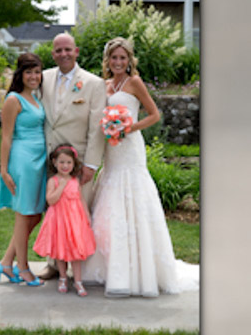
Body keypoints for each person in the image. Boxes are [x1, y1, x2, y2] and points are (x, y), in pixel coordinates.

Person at [80, 37, 198, 297]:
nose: (119, 62)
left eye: (123, 58)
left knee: (132, 195)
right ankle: (108, 266)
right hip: (111, 150)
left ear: (130, 60)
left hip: (130, 148)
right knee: (109, 199)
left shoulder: (135, 82)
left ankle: (137, 271)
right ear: (108, 60)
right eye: (114, 58)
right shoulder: (105, 85)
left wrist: (130, 126)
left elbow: (154, 114)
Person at [37, 32, 107, 281]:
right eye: (58, 50)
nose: (63, 54)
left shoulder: (93, 83)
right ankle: (55, 266)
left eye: (68, 49)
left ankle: (80, 266)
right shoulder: (42, 78)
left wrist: (90, 163)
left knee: (78, 214)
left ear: (76, 51)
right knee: (53, 214)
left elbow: (97, 127)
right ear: (53, 54)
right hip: (48, 160)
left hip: (77, 163)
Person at [0, 52, 49, 286]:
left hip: (39, 159)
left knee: (35, 214)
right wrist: (4, 170)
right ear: (21, 74)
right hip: (23, 160)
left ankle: (6, 262)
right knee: (24, 213)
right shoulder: (13, 100)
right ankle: (23, 267)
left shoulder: (36, 98)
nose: (34, 76)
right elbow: (6, 138)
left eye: (37, 72)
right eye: (29, 72)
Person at [31, 145, 96, 295]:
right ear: (54, 162)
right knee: (60, 251)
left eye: (68, 162)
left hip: (74, 221)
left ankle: (78, 281)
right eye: (61, 162)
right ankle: (62, 277)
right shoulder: (53, 181)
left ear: (73, 164)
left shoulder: (75, 181)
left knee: (75, 251)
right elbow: (51, 200)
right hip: (59, 221)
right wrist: (60, 187)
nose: (65, 166)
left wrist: (86, 216)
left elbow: (81, 200)